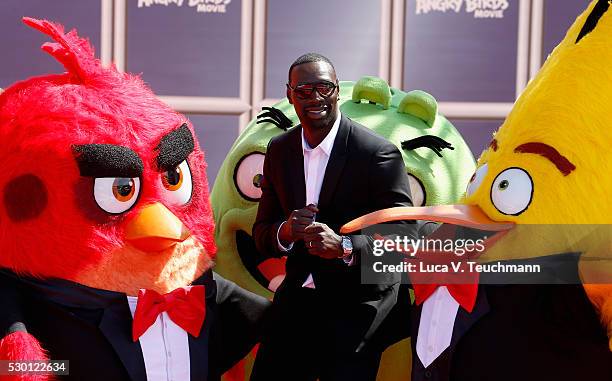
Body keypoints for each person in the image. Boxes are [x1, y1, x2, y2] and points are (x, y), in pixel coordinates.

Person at [250, 53, 416, 381]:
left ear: (338, 91)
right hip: (297, 300)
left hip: (356, 306)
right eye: (304, 91)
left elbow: (405, 238)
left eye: (324, 88)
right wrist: (287, 231)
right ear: (289, 95)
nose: (315, 98)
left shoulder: (376, 153)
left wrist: (344, 246)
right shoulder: (279, 150)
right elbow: (262, 233)